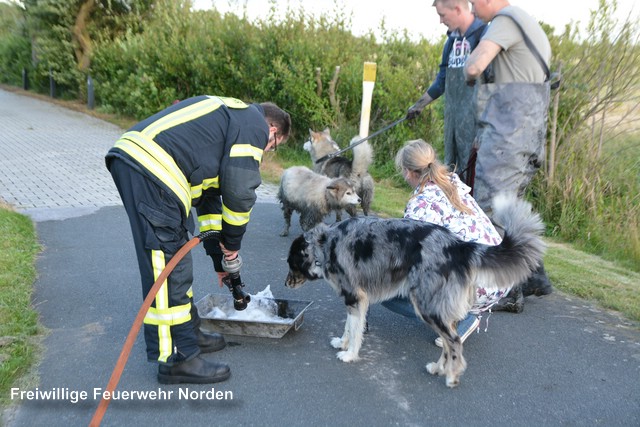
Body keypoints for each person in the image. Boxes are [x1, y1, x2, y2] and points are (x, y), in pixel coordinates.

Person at [105, 95, 291, 384]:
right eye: (272, 147)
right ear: (273, 132)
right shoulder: (254, 125)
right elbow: (240, 192)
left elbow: (210, 202)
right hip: (152, 169)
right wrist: (233, 245)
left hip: (147, 165)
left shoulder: (231, 121)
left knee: (178, 263)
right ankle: (177, 358)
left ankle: (188, 333)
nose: (266, 151)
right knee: (168, 267)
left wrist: (220, 259)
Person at [464, 0, 553, 312]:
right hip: (527, 131)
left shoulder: (506, 19)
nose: (473, 11)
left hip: (509, 134)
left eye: (474, 4)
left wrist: (469, 71)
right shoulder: (527, 23)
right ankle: (530, 278)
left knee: (491, 211)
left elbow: (475, 65)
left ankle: (497, 292)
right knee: (510, 208)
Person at [381, 139, 511, 346]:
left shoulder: (420, 205)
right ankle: (462, 314)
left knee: (384, 290)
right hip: (501, 274)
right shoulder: (452, 182)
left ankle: (456, 317)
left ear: (407, 172)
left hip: (477, 284)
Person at [406, 0, 487, 183]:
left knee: (474, 175)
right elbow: (442, 81)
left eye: (443, 15)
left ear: (457, 9)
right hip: (453, 120)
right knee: (452, 172)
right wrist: (418, 106)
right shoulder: (451, 42)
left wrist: (483, 130)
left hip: (476, 123)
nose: (441, 21)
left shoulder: (484, 35)